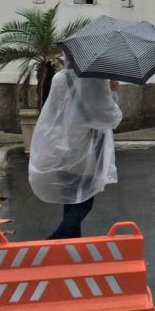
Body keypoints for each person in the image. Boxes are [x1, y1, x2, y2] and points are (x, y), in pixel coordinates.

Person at [28, 69, 122, 239]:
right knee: (84, 203)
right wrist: (113, 93)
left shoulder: (59, 78)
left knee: (70, 199)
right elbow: (109, 118)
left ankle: (71, 247)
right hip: (87, 153)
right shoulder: (96, 82)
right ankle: (56, 240)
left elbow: (56, 110)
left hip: (62, 147)